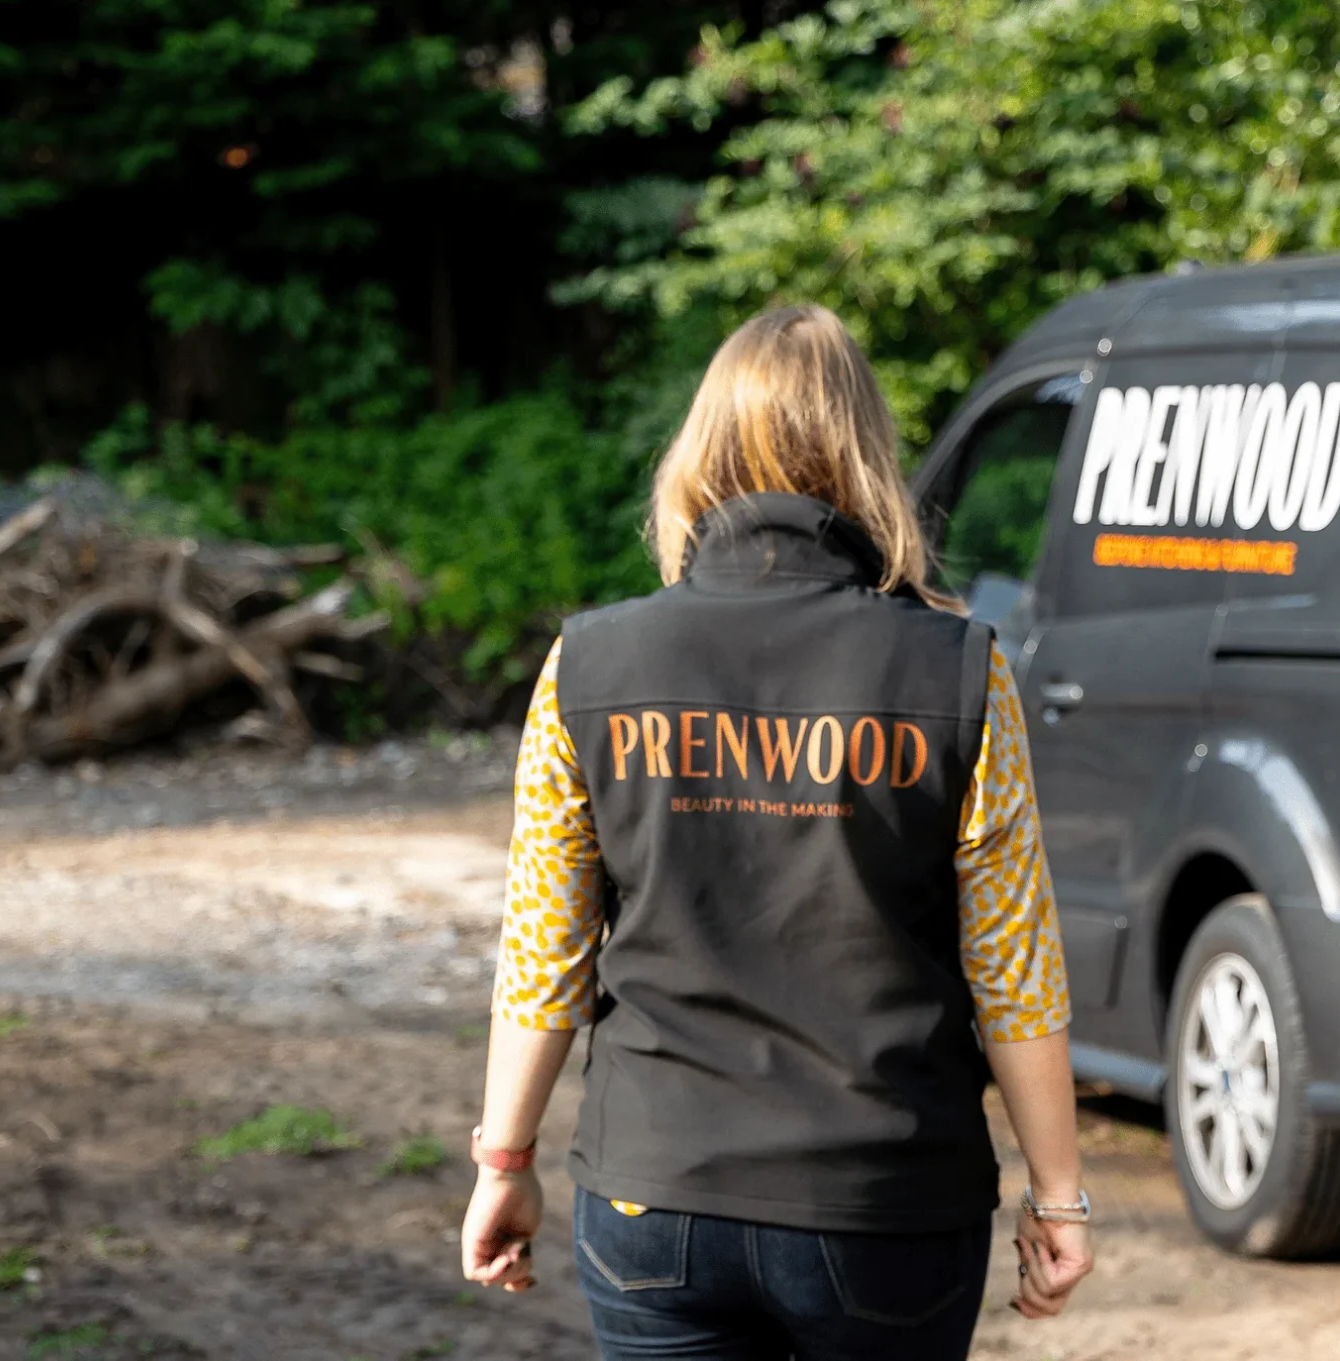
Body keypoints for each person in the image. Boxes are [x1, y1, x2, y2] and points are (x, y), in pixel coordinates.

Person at [457, 303, 1095, 1359]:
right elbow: (1013, 966)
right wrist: (1058, 1195)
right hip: (885, 1198)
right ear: (868, 456)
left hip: (655, 1194)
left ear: (701, 451)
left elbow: (543, 953)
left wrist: (504, 1163)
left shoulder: (590, 665)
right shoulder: (960, 669)